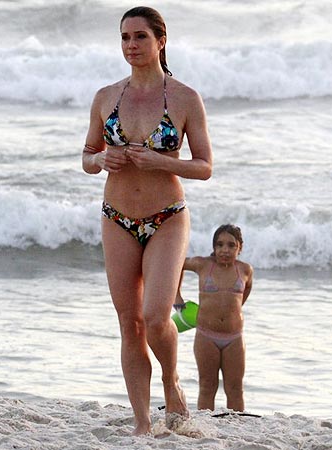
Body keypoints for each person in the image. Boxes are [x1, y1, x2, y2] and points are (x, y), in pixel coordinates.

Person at [81, 6, 212, 435]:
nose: (131, 46)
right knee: (129, 322)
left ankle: (172, 381)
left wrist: (158, 161)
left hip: (167, 217)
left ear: (161, 40)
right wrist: (101, 158)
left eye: (139, 37)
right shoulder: (106, 97)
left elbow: (205, 166)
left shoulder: (185, 99)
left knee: (157, 316)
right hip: (116, 217)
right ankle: (141, 422)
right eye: (124, 38)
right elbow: (86, 158)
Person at [176, 224, 253, 412]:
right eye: (219, 245)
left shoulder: (245, 270)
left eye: (231, 245)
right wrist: (177, 297)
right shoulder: (203, 265)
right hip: (206, 336)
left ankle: (237, 426)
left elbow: (247, 289)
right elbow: (176, 263)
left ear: (239, 248)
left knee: (235, 388)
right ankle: (205, 423)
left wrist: (234, 309)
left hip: (234, 337)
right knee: (207, 386)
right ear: (213, 247)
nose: (224, 250)